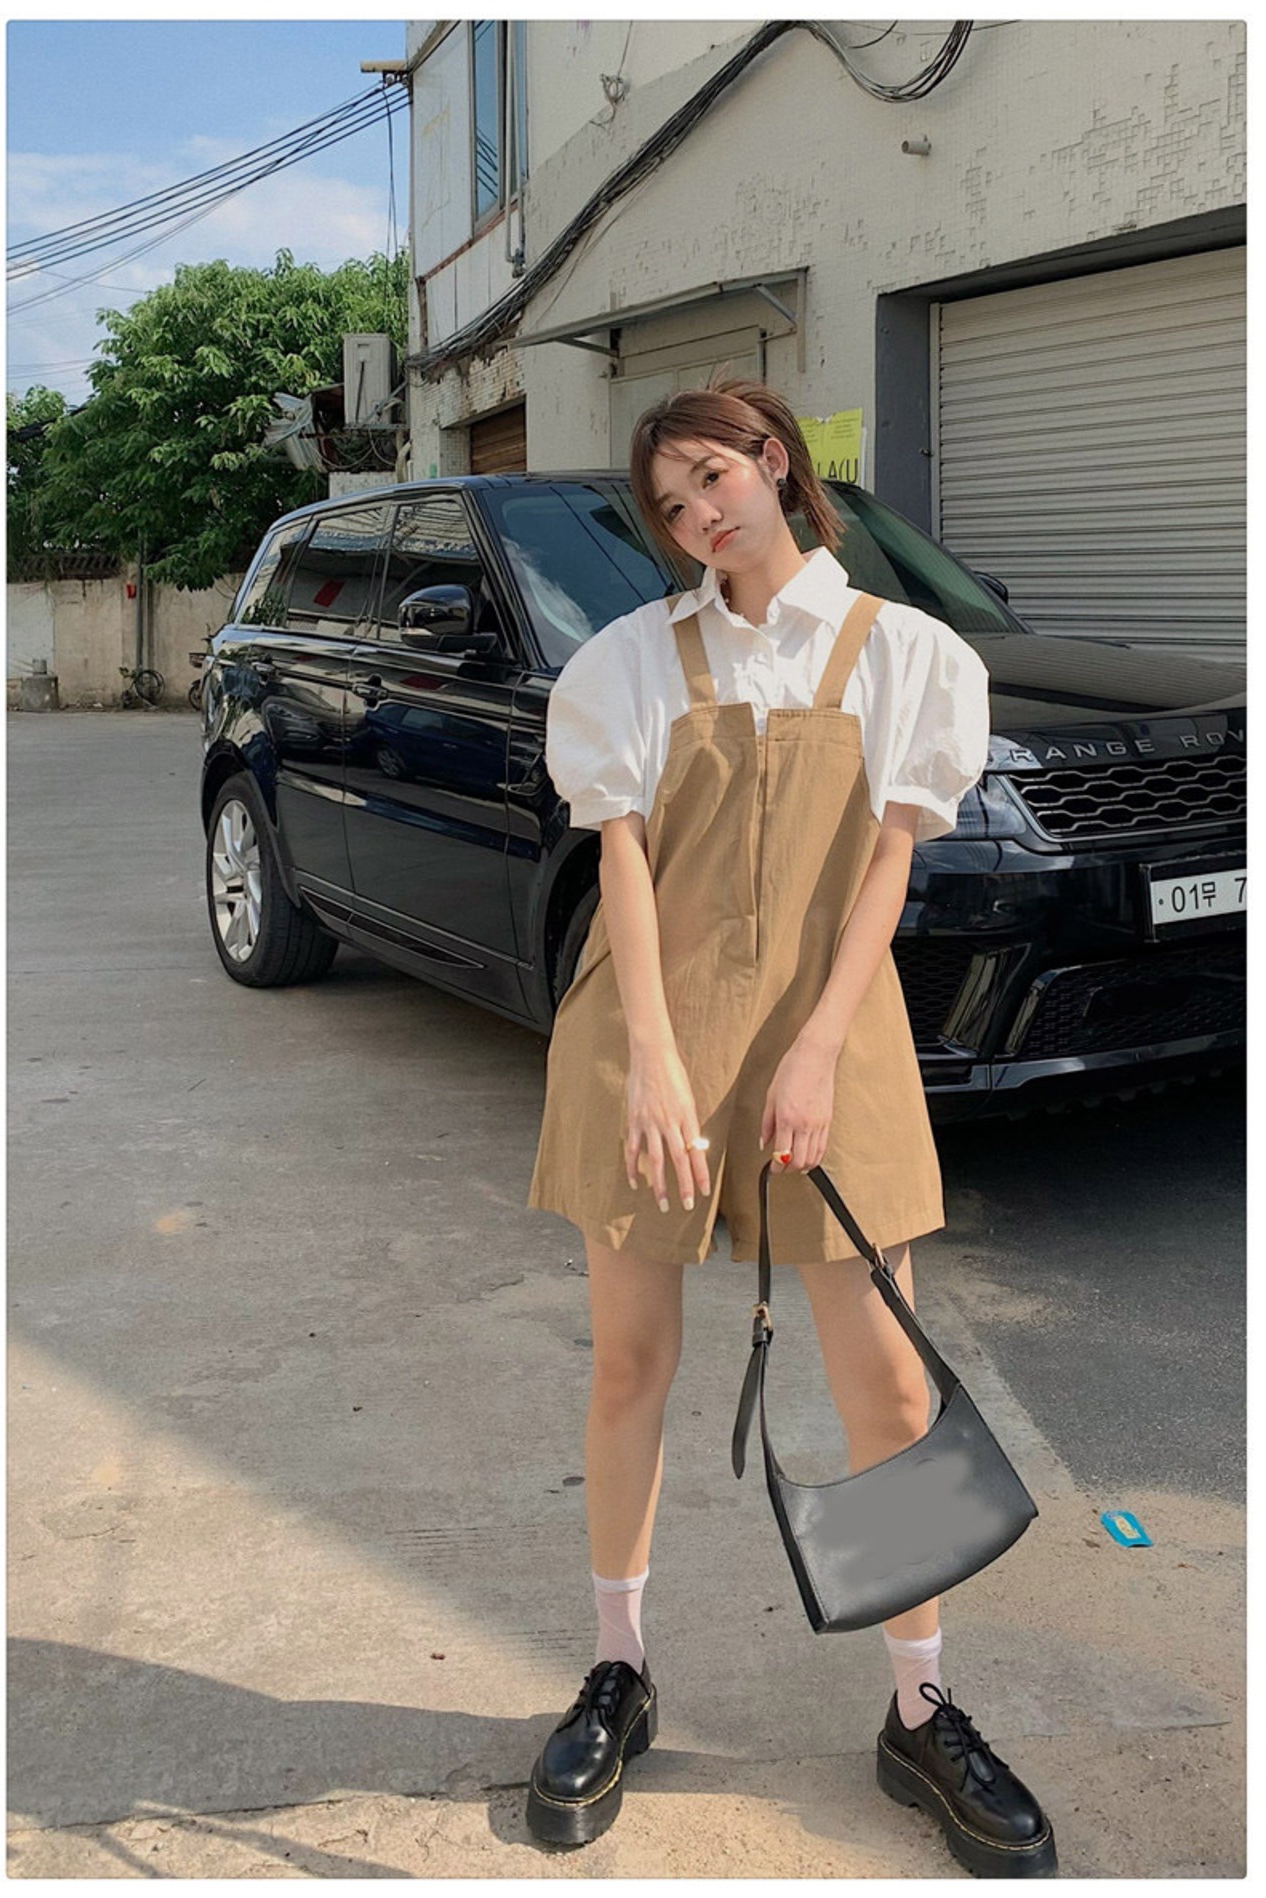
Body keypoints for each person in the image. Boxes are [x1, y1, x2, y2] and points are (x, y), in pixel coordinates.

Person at [523, 377, 1055, 1878]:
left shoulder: (910, 655)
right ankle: (619, 1670)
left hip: (838, 1030)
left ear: (776, 462)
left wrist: (816, 1052)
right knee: (631, 1364)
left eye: (714, 476)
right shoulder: (631, 659)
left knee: (888, 1390)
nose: (698, 515)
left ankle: (919, 1708)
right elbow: (624, 870)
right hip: (651, 1027)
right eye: (670, 505)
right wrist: (650, 1061)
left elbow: (887, 873)